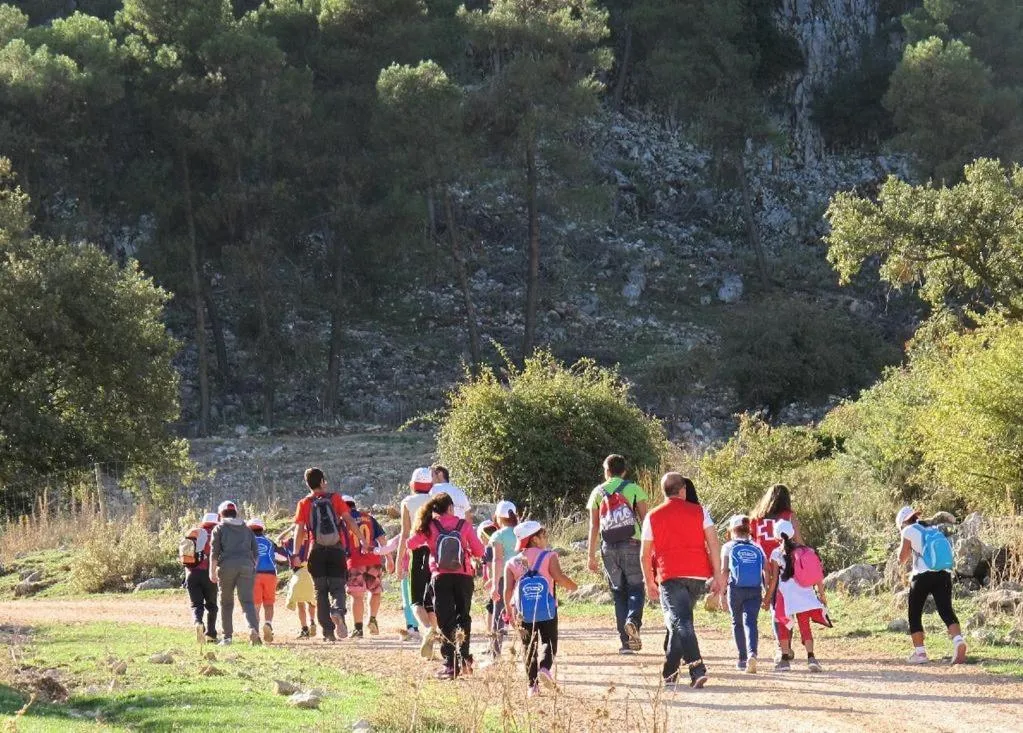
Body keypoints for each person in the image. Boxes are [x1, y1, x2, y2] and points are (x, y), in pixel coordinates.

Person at [640, 474, 721, 689]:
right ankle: (670, 671)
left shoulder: (653, 515)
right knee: (680, 621)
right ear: (683, 489)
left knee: (681, 621)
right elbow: (714, 543)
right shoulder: (700, 511)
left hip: (670, 574)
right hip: (697, 573)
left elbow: (644, 554)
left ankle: (697, 668)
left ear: (664, 491)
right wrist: (718, 574)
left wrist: (649, 581)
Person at [407, 492, 486, 680]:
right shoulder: (464, 525)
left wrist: (425, 534)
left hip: (440, 577)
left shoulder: (431, 526)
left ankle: (450, 664)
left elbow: (411, 544)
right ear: (450, 507)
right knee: (463, 617)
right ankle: (465, 659)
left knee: (445, 620)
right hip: (464, 576)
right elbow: (479, 551)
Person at [291, 467, 367, 642]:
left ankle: (328, 632)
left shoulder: (304, 503)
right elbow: (349, 521)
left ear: (308, 484)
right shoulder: (335, 499)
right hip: (336, 549)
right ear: (322, 481)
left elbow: (299, 530)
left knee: (321, 591)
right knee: (338, 587)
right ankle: (338, 611)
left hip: (316, 551)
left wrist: (295, 553)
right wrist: (362, 539)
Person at [504, 520, 578, 698]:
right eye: (544, 536)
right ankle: (544, 668)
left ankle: (532, 687)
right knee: (549, 641)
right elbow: (559, 577)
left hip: (523, 613)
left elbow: (507, 591)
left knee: (528, 646)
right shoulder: (549, 556)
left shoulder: (512, 562)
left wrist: (509, 613)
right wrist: (573, 586)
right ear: (535, 539)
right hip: (547, 610)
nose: (546, 539)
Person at [586, 454, 650, 653]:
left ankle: (625, 643)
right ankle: (633, 621)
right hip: (632, 544)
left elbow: (594, 525)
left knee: (618, 592)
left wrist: (590, 555)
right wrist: (651, 549)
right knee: (636, 588)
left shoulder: (597, 492)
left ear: (607, 471)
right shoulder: (634, 489)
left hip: (608, 546)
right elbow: (646, 521)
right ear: (624, 471)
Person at [896, 506, 966, 665]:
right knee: (946, 610)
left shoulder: (907, 531)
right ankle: (958, 641)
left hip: (922, 576)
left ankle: (920, 653)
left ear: (902, 523)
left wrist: (902, 549)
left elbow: (902, 558)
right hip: (943, 573)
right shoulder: (932, 528)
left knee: (914, 613)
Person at [762, 519, 829, 672]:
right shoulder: (806, 550)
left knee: (784, 625)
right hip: (805, 593)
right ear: (792, 533)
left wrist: (766, 599)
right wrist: (822, 595)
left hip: (785, 595)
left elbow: (774, 580)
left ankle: (785, 660)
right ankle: (811, 658)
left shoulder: (776, 553)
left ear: (776, 536)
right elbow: (817, 575)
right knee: (805, 625)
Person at [397, 467, 439, 656]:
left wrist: (399, 560)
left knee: (416, 600)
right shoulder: (436, 500)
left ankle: (427, 629)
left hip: (417, 553)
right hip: (435, 552)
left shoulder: (407, 502)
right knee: (431, 599)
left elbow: (405, 533)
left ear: (412, 485)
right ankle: (434, 631)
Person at [209, 500, 261, 646]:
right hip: (246, 566)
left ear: (221, 514)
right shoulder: (247, 529)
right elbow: (256, 554)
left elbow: (214, 553)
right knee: (247, 602)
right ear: (236, 513)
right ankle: (253, 629)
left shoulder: (219, 528)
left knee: (226, 602)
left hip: (226, 567)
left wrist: (212, 572)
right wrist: (252, 568)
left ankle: (227, 637)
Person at [720, 514, 766, 673]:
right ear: (748, 529)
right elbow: (766, 570)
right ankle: (752, 653)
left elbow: (724, 570)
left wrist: (722, 593)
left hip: (735, 588)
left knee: (737, 622)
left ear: (733, 529)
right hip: (755, 588)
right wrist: (767, 591)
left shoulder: (728, 547)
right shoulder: (757, 546)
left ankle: (742, 659)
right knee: (751, 622)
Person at [342, 495, 388, 639]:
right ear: (354, 504)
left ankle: (358, 628)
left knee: (357, 596)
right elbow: (382, 540)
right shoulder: (369, 518)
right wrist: (389, 558)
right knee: (375, 591)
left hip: (355, 561)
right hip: (374, 559)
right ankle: (372, 618)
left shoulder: (343, 520)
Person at [182, 512, 220, 644]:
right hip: (209, 574)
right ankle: (211, 634)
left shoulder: (194, 534)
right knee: (212, 606)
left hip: (191, 574)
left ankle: (198, 622)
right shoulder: (217, 535)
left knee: (196, 605)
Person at [488, 501, 518, 659]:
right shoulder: (521, 532)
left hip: (504, 579)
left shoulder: (498, 535)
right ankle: (528, 649)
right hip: (521, 577)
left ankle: (495, 654)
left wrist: (494, 584)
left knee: (498, 615)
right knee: (522, 613)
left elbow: (497, 560)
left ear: (498, 517)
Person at [248, 517, 286, 643]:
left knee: (255, 606)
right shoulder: (269, 542)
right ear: (262, 529)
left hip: (253, 575)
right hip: (270, 574)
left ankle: (254, 630)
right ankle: (268, 624)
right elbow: (283, 558)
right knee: (268, 603)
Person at [279, 532, 316, 639]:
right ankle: (312, 621)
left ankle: (304, 629)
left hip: (298, 574)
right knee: (311, 601)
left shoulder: (291, 542)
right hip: (311, 574)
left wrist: (291, 528)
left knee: (300, 603)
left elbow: (279, 539)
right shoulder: (311, 541)